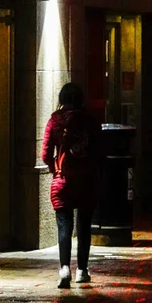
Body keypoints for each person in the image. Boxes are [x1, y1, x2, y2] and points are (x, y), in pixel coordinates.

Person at [42, 82, 102, 289]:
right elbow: (99, 152)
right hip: (87, 179)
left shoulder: (54, 121)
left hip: (63, 180)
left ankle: (64, 268)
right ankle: (82, 270)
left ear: (62, 100)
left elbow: (45, 153)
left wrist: (55, 169)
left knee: (64, 225)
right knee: (84, 226)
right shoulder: (91, 122)